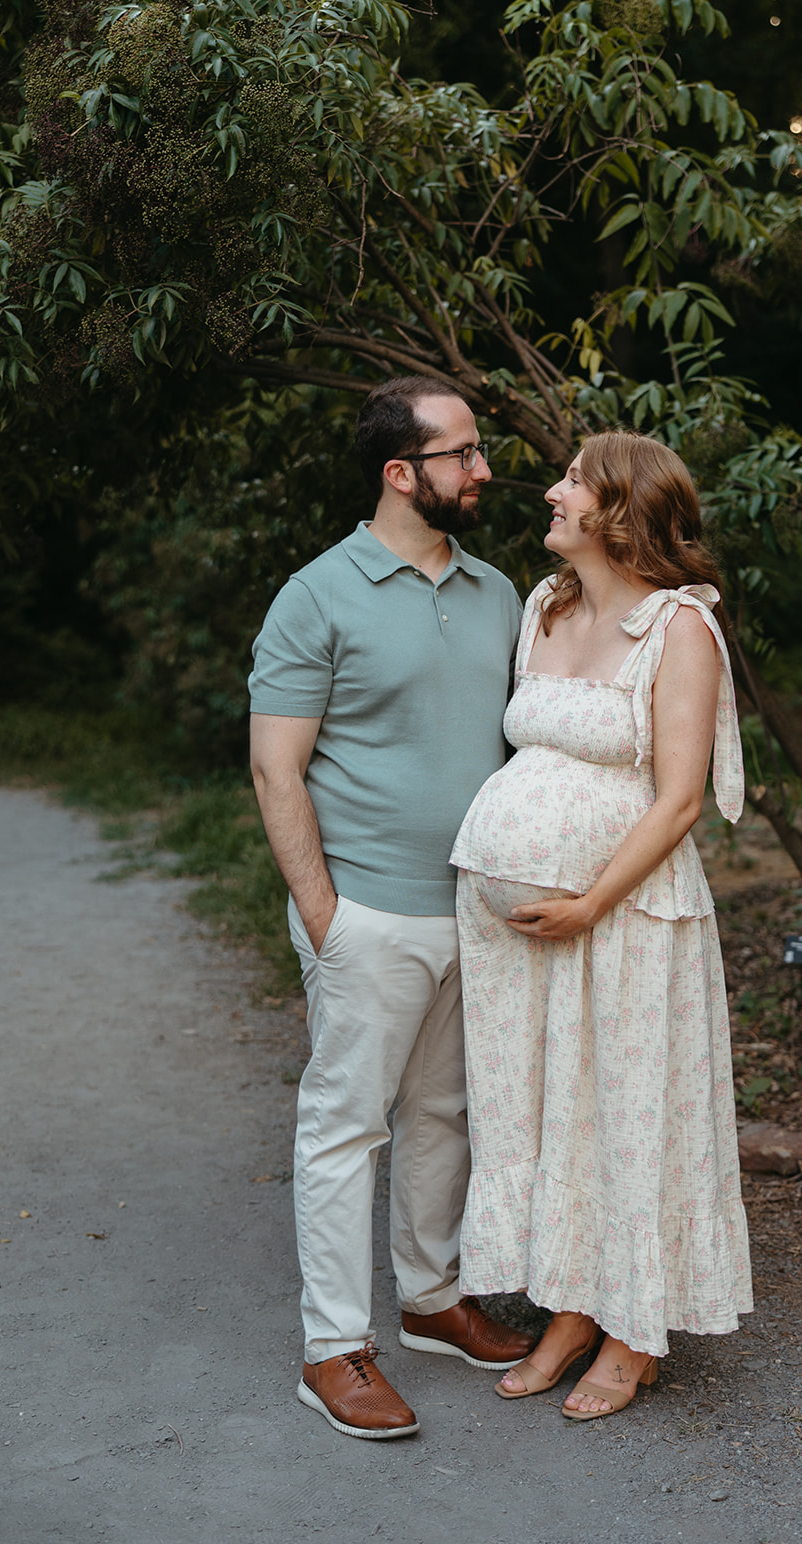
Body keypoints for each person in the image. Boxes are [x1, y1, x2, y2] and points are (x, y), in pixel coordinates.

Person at [249, 377, 533, 1441]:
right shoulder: (315, 594)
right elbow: (276, 770)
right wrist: (325, 915)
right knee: (342, 1130)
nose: (483, 469)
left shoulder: (498, 591)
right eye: (461, 453)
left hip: (474, 911)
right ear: (400, 472)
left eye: (478, 450)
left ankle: (429, 1299)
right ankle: (333, 1348)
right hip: (364, 908)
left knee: (443, 1114)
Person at [450, 428, 753, 1422]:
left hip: (625, 918)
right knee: (549, 1111)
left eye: (572, 481)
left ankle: (632, 1332)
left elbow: (676, 800)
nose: (550, 490)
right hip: (518, 936)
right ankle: (571, 1308)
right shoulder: (546, 605)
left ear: (619, 508)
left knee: (627, 1112)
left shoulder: (678, 629)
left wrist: (586, 900)